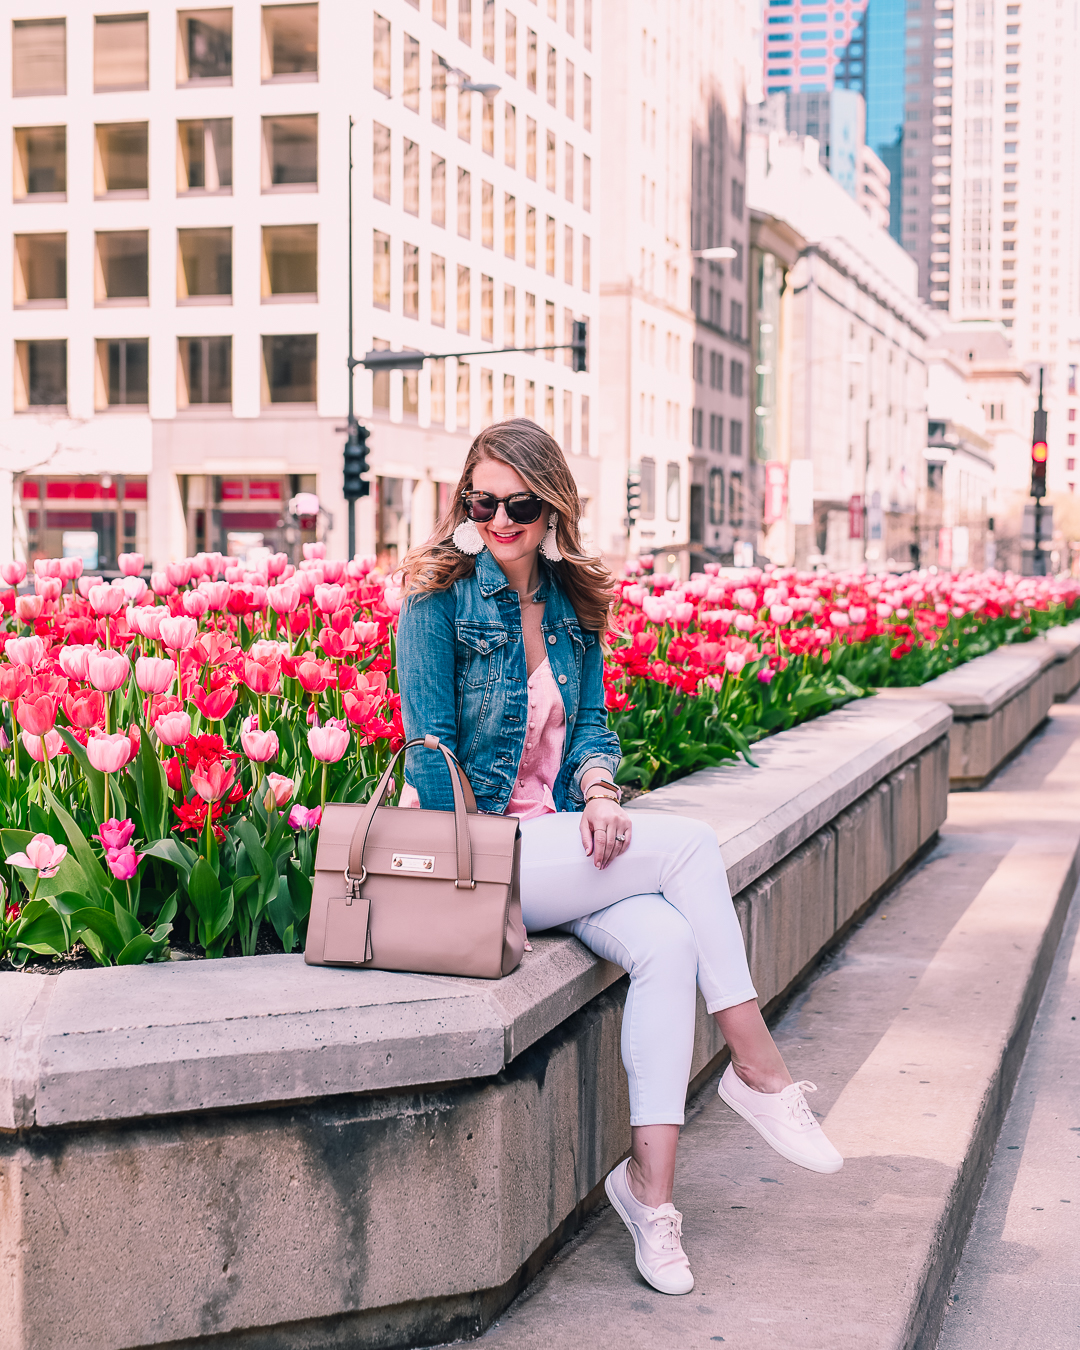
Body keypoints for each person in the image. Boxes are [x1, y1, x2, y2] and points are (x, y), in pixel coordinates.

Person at [396, 419, 842, 1296]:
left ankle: (651, 1195)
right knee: (689, 845)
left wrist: (598, 790)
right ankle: (758, 1068)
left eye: (518, 503)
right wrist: (482, 880)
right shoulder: (435, 598)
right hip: (488, 857)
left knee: (670, 948)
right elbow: (426, 750)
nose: (499, 519)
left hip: (560, 837)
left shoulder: (572, 603)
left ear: (551, 504)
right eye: (481, 501)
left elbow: (593, 726)